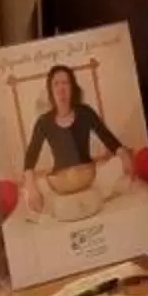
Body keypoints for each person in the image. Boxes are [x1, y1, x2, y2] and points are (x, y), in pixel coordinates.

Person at [20, 65, 128, 223]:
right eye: (56, 83)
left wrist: (124, 155)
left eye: (66, 83)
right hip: (60, 183)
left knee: (117, 165)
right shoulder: (43, 122)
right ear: (51, 90)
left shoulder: (85, 112)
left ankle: (91, 199)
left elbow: (108, 138)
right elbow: (31, 156)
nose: (61, 88)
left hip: (88, 176)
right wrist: (31, 186)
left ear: (72, 88)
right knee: (29, 192)